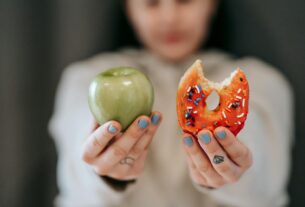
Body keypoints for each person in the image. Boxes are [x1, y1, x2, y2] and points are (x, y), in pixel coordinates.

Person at [48, 0, 294, 206]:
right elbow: (76, 168)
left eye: (185, 0)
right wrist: (104, 172)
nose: (169, 17)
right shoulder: (82, 79)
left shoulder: (262, 81)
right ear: (128, 8)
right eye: (151, 2)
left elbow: (264, 168)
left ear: (212, 4)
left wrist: (235, 169)